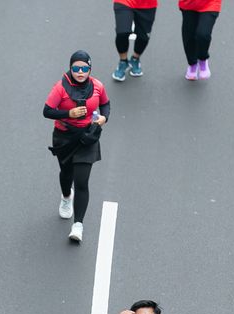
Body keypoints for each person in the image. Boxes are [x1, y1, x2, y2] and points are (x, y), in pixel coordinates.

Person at [43, 50, 110, 242]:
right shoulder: (60, 88)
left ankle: (78, 225)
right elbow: (47, 111)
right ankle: (66, 197)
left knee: (82, 181)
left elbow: (106, 104)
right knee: (66, 173)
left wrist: (104, 118)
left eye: (84, 68)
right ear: (70, 68)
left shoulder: (97, 86)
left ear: (90, 69)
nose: (80, 72)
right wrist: (68, 114)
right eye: (76, 68)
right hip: (64, 137)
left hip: (87, 137)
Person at [111, 0, 158, 81]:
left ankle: (135, 59)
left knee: (143, 37)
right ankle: (123, 61)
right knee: (122, 33)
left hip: (148, 4)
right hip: (124, 2)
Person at [179, 0, 222, 80]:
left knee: (203, 34)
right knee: (189, 36)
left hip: (210, 3)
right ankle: (192, 65)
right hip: (189, 4)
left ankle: (202, 60)